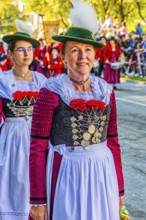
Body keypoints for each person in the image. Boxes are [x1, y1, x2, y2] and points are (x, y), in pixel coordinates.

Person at [0, 31, 46, 220]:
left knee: (33, 177)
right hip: (11, 137)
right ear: (10, 54)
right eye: (20, 49)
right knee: (12, 178)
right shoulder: (3, 80)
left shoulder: (41, 80)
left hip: (35, 136)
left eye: (30, 49)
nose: (27, 54)